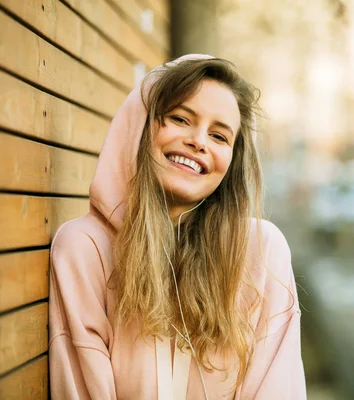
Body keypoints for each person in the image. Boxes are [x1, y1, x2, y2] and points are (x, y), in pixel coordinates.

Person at [48, 54, 306, 399]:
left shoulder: (261, 251)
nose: (198, 141)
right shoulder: (85, 248)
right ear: (140, 126)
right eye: (180, 119)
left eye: (219, 136)